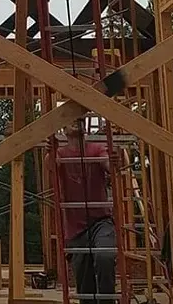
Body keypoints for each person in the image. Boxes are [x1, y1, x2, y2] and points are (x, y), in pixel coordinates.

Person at [54, 125, 117, 300]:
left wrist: (115, 161)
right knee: (84, 284)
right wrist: (49, 151)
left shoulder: (96, 149)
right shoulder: (60, 153)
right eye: (70, 118)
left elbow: (108, 164)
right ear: (64, 129)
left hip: (101, 222)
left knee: (105, 256)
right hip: (75, 228)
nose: (75, 121)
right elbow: (50, 167)